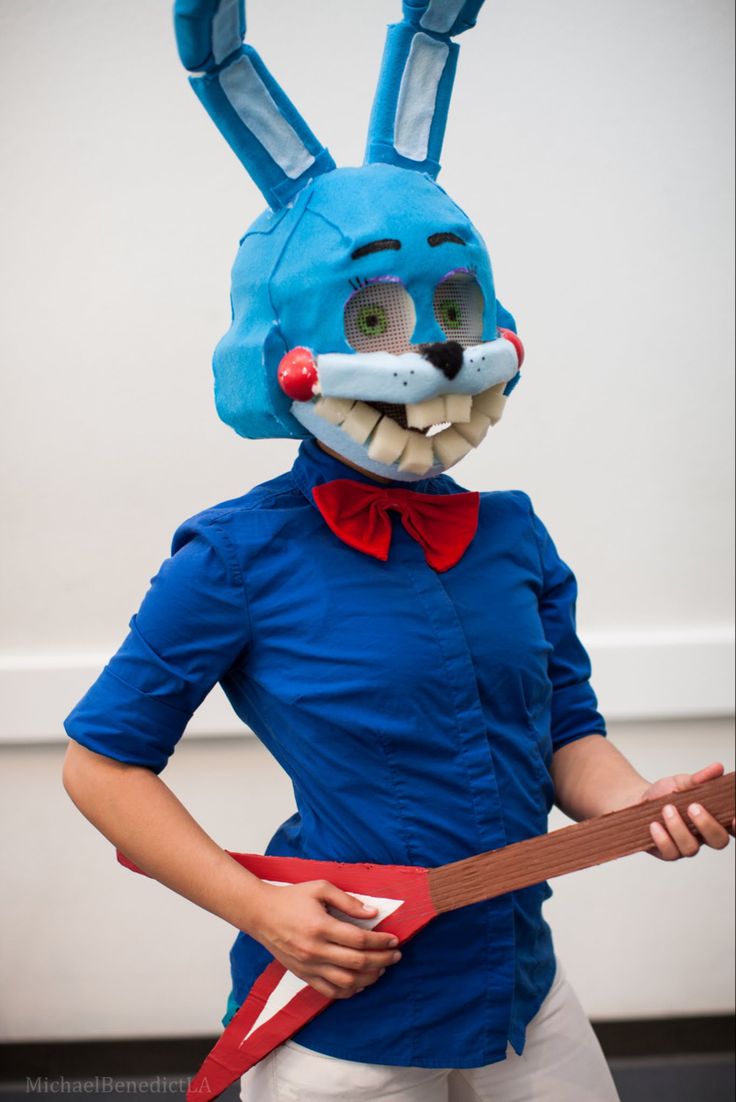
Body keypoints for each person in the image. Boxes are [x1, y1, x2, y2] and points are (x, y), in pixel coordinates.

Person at [62, 2, 732, 1100]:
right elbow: (101, 762)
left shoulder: (514, 533)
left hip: (522, 981)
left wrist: (637, 808)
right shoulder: (232, 556)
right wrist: (257, 905)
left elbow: (568, 735)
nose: (436, 348)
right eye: (374, 318)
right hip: (348, 1002)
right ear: (285, 343)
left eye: (455, 303)